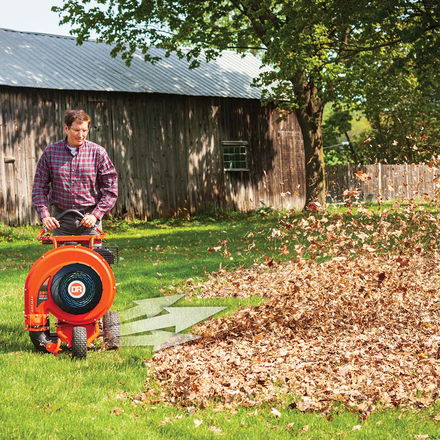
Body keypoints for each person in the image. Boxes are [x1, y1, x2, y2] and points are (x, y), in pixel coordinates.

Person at [32, 109, 118, 235]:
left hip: (90, 220)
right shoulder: (50, 153)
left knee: (93, 255)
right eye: (77, 130)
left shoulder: (98, 153)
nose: (81, 135)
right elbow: (39, 188)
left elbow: (111, 188)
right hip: (60, 221)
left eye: (84, 130)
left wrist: (96, 215)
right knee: (62, 255)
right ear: (66, 129)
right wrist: (45, 216)